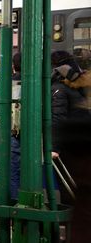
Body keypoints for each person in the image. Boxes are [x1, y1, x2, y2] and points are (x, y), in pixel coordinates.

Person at [51, 50, 88, 205]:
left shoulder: (59, 86)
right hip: (84, 140)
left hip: (69, 143)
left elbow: (58, 118)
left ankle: (70, 222)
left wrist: (55, 147)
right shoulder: (82, 81)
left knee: (66, 183)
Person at [0, 53, 21, 199]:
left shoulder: (7, 83)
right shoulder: (36, 81)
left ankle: (14, 200)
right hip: (33, 133)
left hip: (12, 130)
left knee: (12, 168)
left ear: (14, 66)